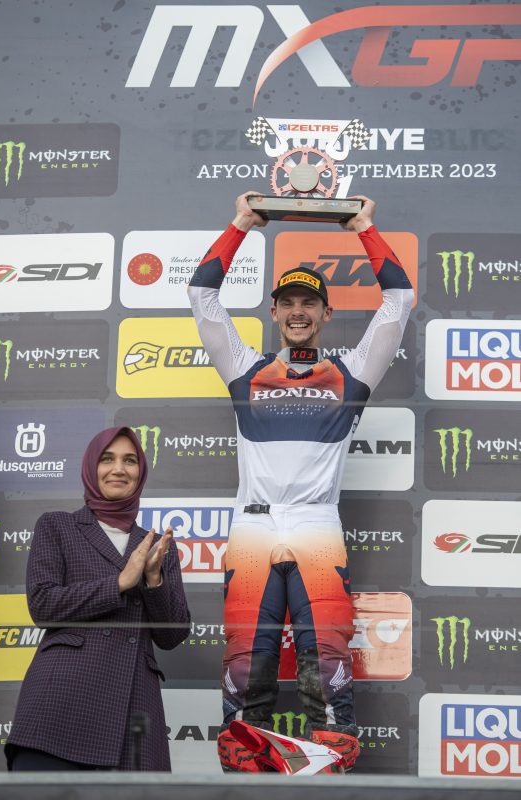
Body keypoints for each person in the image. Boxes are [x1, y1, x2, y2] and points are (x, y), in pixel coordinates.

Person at [187, 192, 414, 773]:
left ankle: (331, 762)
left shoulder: (352, 372)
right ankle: (245, 765)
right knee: (245, 663)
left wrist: (364, 228)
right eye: (287, 302)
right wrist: (241, 222)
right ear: (273, 312)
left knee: (328, 660)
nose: (297, 311)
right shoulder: (244, 368)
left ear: (325, 314)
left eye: (308, 302)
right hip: (253, 528)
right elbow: (202, 295)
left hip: (316, 526)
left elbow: (398, 300)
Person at [5, 426, 190, 771]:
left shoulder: (157, 545)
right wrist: (119, 583)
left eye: (130, 460)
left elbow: (172, 634)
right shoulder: (57, 525)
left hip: (134, 707)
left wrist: (153, 579)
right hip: (61, 702)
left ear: (141, 472)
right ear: (92, 467)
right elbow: (43, 605)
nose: (119, 469)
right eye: (108, 459)